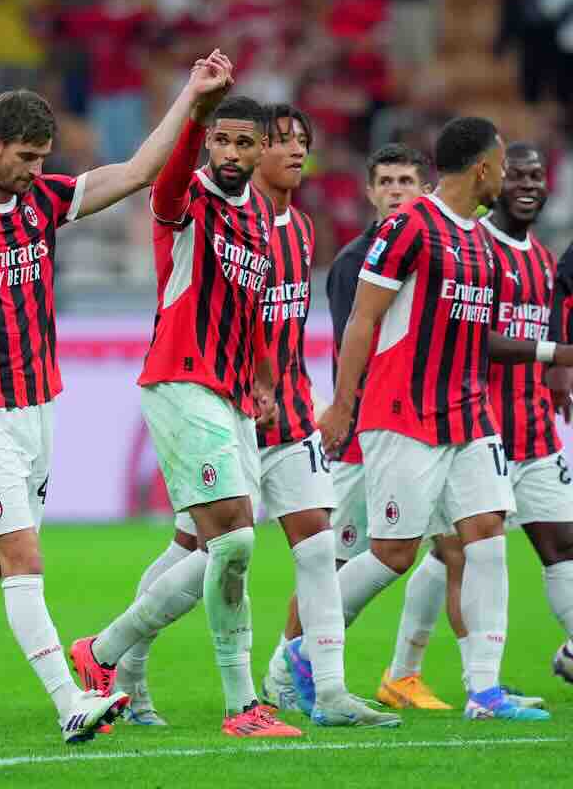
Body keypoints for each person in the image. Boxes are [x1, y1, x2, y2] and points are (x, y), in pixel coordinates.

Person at [0, 49, 232, 745]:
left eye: (43, 158)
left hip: (37, 406)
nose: (35, 171)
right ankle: (70, 698)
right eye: (25, 157)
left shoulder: (44, 203)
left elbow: (136, 173)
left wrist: (191, 99)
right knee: (21, 557)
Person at [90, 104, 397, 730]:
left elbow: (265, 321)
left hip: (277, 407)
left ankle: (329, 689)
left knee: (316, 543)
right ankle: (123, 658)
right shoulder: (212, 212)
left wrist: (275, 382)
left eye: (297, 142)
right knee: (200, 547)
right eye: (278, 140)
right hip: (209, 396)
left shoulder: (298, 230)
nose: (290, 151)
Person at [318, 117, 572, 722]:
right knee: (392, 555)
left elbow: (477, 335)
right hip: (403, 412)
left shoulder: (481, 242)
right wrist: (343, 403)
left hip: (467, 416)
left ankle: (483, 692)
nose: (509, 176)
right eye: (504, 164)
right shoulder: (409, 227)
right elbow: (362, 319)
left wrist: (553, 356)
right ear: (482, 169)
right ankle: (301, 653)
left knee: (484, 538)